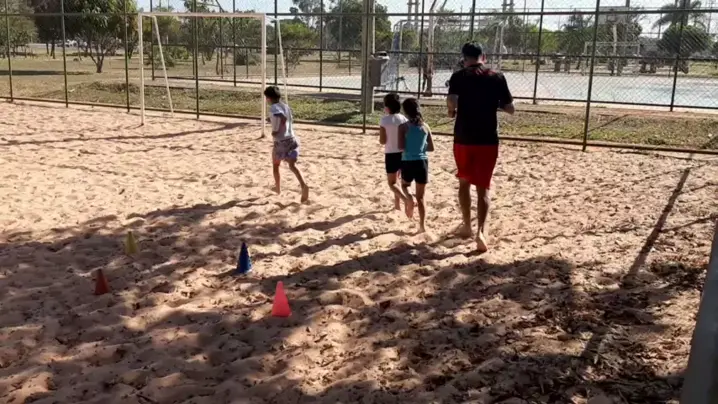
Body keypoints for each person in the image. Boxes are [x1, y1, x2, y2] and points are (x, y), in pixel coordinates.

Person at [447, 42, 515, 253]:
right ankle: (481, 232)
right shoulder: (496, 77)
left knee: (464, 183)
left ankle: (467, 225)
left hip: (463, 137)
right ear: (483, 56)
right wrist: (494, 103)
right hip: (487, 138)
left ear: (464, 57)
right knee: (483, 187)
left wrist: (451, 111)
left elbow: (451, 100)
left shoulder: (458, 77)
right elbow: (510, 108)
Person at [264, 85, 309, 203]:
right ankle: (303, 185)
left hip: (280, 141)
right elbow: (286, 118)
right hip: (292, 139)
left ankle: (278, 189)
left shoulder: (273, 107)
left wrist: (276, 131)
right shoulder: (285, 106)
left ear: (268, 98)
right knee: (292, 165)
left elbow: (282, 118)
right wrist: (271, 119)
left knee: (275, 165)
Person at [398, 98, 434, 233]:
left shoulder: (403, 127)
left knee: (404, 185)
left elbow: (401, 147)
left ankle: (409, 198)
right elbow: (431, 148)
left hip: (407, 160)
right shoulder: (426, 127)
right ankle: (422, 226)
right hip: (422, 162)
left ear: (405, 111)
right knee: (421, 197)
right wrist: (421, 147)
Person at [379, 93, 409, 212]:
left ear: (387, 106)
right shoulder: (403, 119)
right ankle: (397, 205)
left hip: (391, 153)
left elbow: (382, 141)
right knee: (400, 181)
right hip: (403, 153)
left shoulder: (384, 120)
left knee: (392, 183)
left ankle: (405, 200)